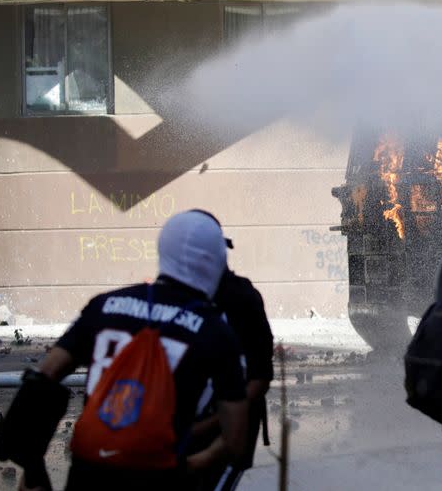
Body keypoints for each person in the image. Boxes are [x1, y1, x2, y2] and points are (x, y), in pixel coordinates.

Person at [16, 211, 249, 491]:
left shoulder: (104, 305)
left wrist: (33, 468)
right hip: (158, 475)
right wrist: (194, 465)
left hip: (89, 471)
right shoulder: (215, 331)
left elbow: (44, 377)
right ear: (216, 262)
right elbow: (235, 439)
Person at [187, 210, 274, 491]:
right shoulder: (177, 297)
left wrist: (206, 426)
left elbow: (259, 379)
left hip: (230, 430)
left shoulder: (241, 297)